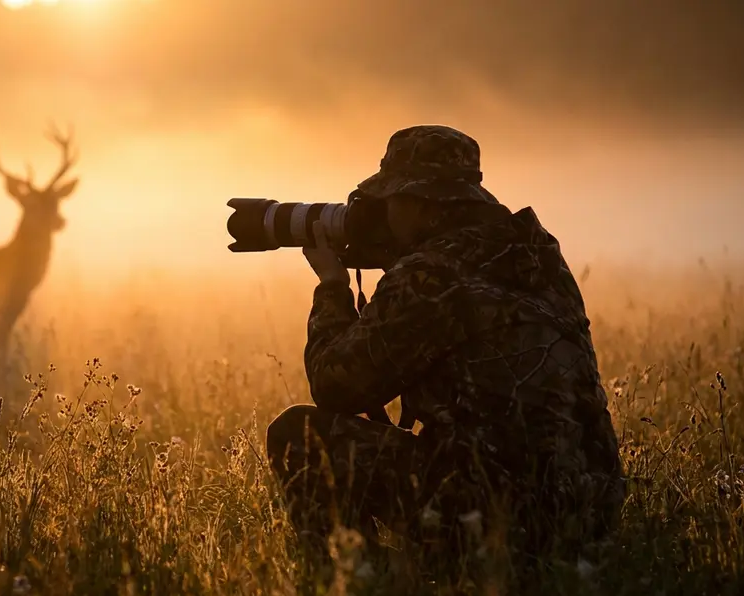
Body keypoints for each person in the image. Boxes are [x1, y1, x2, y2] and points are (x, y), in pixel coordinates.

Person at [265, 125, 624, 560]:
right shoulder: (537, 253)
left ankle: (366, 589)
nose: (384, 215)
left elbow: (335, 386)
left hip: (497, 514)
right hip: (589, 508)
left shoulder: (430, 275)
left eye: (390, 201)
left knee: (299, 434)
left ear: (419, 202)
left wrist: (333, 287)